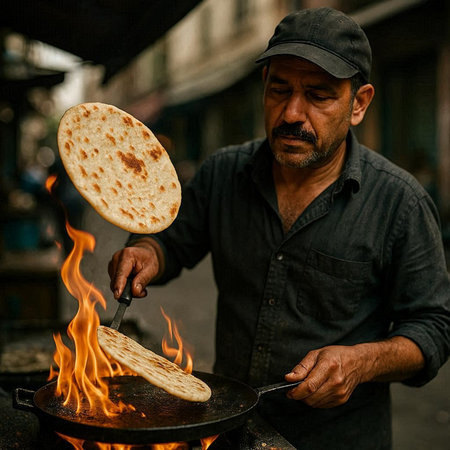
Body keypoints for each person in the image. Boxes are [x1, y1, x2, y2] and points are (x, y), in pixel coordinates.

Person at [108, 7, 450, 449]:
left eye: (318, 95)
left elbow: (433, 327)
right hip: (228, 430)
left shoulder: (400, 203)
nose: (291, 113)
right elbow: (172, 242)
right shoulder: (222, 174)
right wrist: (146, 254)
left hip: (338, 439)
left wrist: (363, 361)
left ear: (359, 103)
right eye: (279, 90)